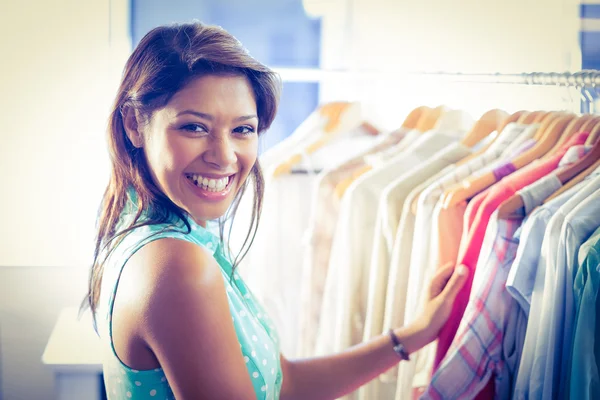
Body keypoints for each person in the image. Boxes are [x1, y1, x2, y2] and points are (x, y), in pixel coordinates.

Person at [81, 21, 468, 400]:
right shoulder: (177, 264)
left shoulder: (152, 232)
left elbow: (285, 384)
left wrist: (414, 334)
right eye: (195, 128)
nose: (224, 156)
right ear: (134, 124)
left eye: (243, 130)